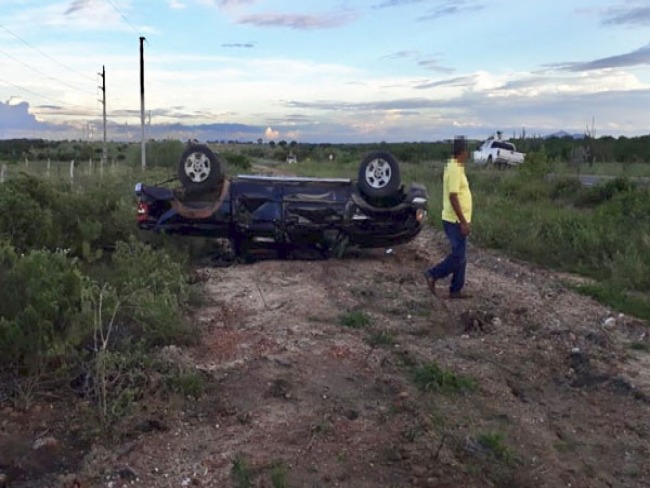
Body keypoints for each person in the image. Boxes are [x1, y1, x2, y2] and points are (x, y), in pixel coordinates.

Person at [424, 136, 473, 299]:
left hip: (459, 220)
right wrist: (463, 221)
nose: (469, 154)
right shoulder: (454, 168)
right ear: (462, 151)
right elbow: (453, 196)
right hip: (454, 221)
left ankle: (455, 290)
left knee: (462, 256)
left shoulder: (457, 166)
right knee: (458, 256)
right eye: (467, 151)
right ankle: (433, 274)